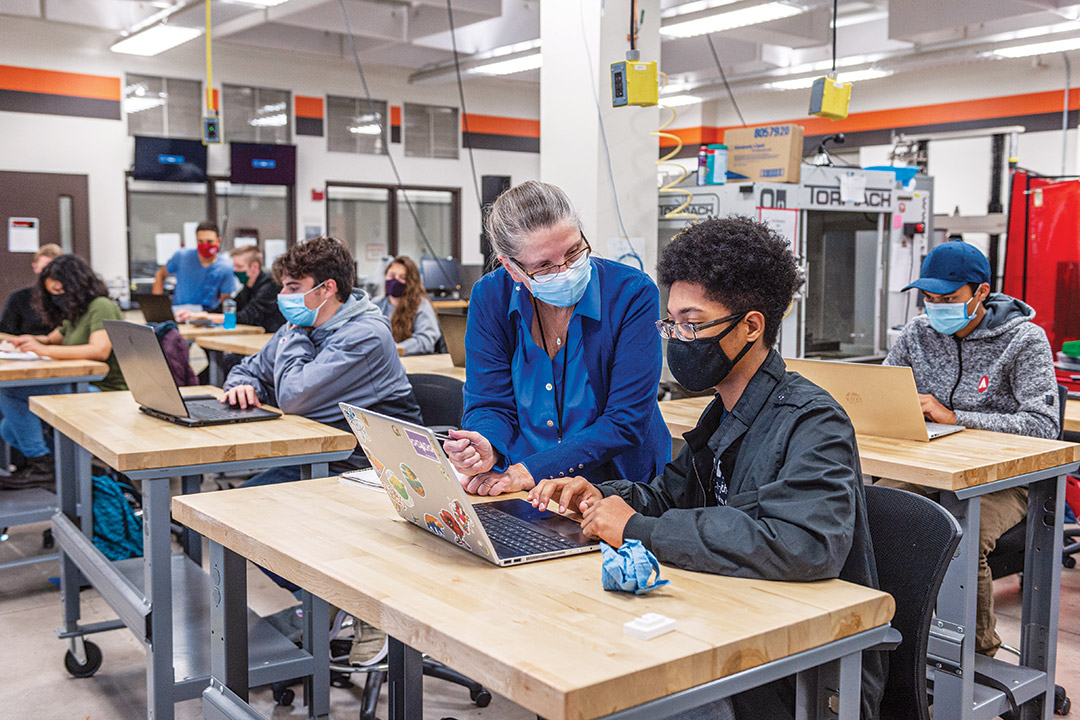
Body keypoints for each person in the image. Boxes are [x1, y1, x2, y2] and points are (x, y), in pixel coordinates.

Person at [526, 216, 884, 720]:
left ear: (751, 326)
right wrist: (604, 496)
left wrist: (638, 529)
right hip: (735, 624)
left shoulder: (812, 420)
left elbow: (803, 545)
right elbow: (671, 495)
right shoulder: (723, 412)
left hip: (801, 665)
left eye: (692, 323)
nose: (677, 339)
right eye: (671, 322)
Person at [880, 239, 1059, 658]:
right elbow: (886, 395)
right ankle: (892, 648)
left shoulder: (1024, 340)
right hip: (929, 466)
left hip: (1005, 478)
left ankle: (977, 660)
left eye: (948, 299)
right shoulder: (916, 334)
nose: (935, 308)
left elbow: (1043, 427)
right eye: (928, 299)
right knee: (874, 510)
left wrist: (954, 416)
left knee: (961, 533)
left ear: (981, 293)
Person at [441, 180, 669, 495]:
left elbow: (624, 421)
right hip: (524, 489)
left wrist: (529, 471)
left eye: (574, 252)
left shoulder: (631, 293)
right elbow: (489, 400)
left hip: (617, 487)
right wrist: (488, 446)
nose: (565, 270)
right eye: (544, 266)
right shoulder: (491, 296)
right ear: (511, 267)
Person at [222, 236, 423, 483]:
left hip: (369, 469)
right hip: (317, 455)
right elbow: (245, 370)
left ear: (328, 288)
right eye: (283, 286)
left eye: (293, 288)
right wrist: (244, 386)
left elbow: (293, 398)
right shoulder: (305, 324)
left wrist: (294, 333)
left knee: (236, 509)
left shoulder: (365, 335)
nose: (282, 295)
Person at [0, 255, 127, 489]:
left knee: (11, 392)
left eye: (60, 290)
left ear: (76, 285)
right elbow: (51, 339)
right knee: (8, 428)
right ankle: (69, 467)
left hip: (104, 389)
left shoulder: (101, 306)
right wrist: (32, 341)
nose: (57, 297)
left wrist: (41, 349)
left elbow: (99, 350)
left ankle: (43, 464)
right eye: (52, 293)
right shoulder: (75, 312)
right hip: (79, 382)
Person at [176, 245, 285, 333]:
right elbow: (229, 307)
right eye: (234, 266)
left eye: (239, 266)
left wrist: (209, 317)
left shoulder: (270, 286)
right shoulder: (248, 288)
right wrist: (197, 315)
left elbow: (246, 317)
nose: (235, 270)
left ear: (255, 267)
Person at [152, 220, 236, 310]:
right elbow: (160, 274)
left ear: (218, 241)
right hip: (179, 314)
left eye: (209, 241)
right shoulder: (181, 256)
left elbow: (225, 300)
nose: (205, 245)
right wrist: (158, 308)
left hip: (205, 318)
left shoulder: (225, 267)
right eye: (200, 241)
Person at [374, 256, 441, 356]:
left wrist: (397, 349)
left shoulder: (421, 305)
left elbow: (426, 339)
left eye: (402, 277)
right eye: (392, 276)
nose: (396, 281)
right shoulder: (376, 304)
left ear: (411, 281)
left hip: (410, 361)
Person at [0, 243, 63, 336]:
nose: (50, 275)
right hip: (26, 347)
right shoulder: (19, 298)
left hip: (63, 348)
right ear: (35, 267)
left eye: (55, 270)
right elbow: (5, 332)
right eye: (45, 269)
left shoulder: (72, 298)